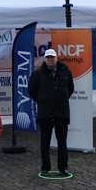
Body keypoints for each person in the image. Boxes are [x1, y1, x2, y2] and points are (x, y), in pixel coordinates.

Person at [27, 48, 74, 177]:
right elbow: (31, 91)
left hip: (61, 112)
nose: (50, 59)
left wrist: (61, 99)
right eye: (48, 57)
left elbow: (70, 88)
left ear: (56, 58)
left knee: (62, 142)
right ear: (45, 59)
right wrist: (42, 101)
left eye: (52, 57)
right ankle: (45, 167)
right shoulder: (37, 74)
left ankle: (63, 167)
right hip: (45, 113)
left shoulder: (65, 71)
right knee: (45, 141)